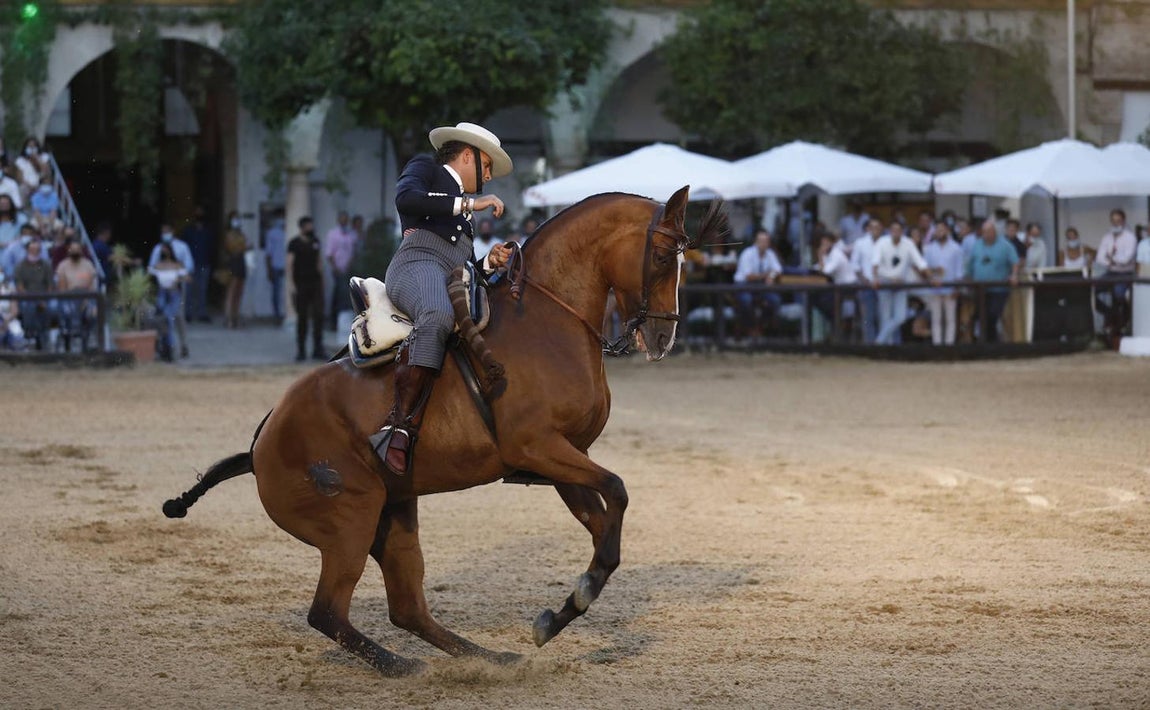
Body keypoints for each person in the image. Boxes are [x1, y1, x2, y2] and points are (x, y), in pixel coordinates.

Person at [370, 121, 514, 475]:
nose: (489, 176)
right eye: (487, 167)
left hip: (446, 274)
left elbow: (458, 267)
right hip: (414, 263)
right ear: (468, 155)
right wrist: (470, 202)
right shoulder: (425, 167)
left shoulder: (461, 213)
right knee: (437, 314)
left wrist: (486, 264)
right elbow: (405, 198)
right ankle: (397, 428)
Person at [871, 221, 933, 345]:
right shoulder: (882, 242)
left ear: (902, 232)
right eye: (893, 229)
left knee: (900, 317)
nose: (896, 232)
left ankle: (878, 343)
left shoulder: (908, 243)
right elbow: (875, 263)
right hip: (885, 281)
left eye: (898, 230)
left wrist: (931, 277)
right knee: (885, 317)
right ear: (889, 231)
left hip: (900, 283)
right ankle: (885, 348)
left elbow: (919, 262)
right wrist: (875, 278)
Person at [965, 220, 1021, 343]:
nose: (986, 234)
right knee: (979, 315)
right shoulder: (977, 245)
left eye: (988, 232)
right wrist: (968, 278)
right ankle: (982, 342)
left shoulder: (1005, 245)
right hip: (980, 288)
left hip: (998, 289)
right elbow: (970, 264)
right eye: (984, 232)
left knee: (992, 314)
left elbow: (1015, 262)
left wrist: (1014, 275)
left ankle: (992, 343)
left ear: (994, 232)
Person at [148, 225, 194, 358]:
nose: (165, 234)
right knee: (162, 317)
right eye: (163, 232)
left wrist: (177, 275)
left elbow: (189, 267)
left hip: (176, 289)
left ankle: (183, 345)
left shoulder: (182, 247)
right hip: (162, 290)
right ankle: (166, 346)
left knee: (178, 317)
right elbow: (151, 267)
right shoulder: (157, 249)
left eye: (167, 232)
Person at [1094, 208, 1137, 345]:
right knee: (1094, 291)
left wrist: (1111, 258)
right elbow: (1099, 257)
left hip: (1125, 273)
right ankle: (1110, 314)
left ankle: (1122, 323)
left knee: (1119, 295)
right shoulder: (1107, 237)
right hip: (1111, 272)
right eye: (1113, 221)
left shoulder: (1130, 237)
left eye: (1118, 220)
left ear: (1123, 221)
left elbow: (1126, 259)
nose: (1115, 223)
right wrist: (1111, 261)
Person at [287, 216, 325, 362]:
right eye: (308, 225)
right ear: (302, 227)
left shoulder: (315, 241)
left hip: (314, 283)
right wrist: (291, 285)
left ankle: (318, 349)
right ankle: (301, 350)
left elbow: (319, 262)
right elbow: (289, 265)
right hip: (301, 284)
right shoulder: (294, 244)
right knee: (302, 318)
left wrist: (322, 282)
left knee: (318, 316)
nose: (311, 228)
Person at [732, 228, 783, 334]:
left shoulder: (770, 254)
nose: (764, 243)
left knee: (775, 300)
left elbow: (778, 269)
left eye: (766, 241)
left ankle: (763, 327)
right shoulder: (747, 254)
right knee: (746, 300)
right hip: (744, 286)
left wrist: (772, 276)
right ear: (756, 242)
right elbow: (748, 276)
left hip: (760, 287)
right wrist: (766, 275)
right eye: (762, 241)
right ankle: (749, 328)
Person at [923, 220, 964, 345]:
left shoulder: (956, 248)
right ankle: (937, 345)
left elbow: (959, 270)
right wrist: (932, 277)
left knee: (950, 319)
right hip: (934, 288)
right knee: (936, 319)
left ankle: (949, 345)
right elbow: (925, 268)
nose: (939, 232)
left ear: (947, 231)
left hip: (950, 288)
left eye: (942, 229)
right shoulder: (929, 249)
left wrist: (957, 288)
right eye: (937, 230)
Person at [54, 240, 99, 350]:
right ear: (69, 250)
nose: (75, 251)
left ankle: (89, 340)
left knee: (92, 312)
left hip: (87, 296)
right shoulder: (63, 265)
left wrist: (85, 300)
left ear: (81, 251)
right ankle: (70, 340)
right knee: (68, 310)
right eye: (72, 249)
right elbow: (62, 287)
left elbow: (90, 284)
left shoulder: (88, 264)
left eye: (77, 249)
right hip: (69, 297)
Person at [13, 237, 55, 349]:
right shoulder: (20, 266)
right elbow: (19, 287)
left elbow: (50, 285)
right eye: (32, 249)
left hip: (44, 297)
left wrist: (45, 299)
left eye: (37, 249)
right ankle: (30, 336)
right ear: (27, 250)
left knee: (51, 308)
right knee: (28, 307)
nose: (34, 251)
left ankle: (44, 337)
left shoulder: (46, 265)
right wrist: (34, 300)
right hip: (26, 298)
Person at [815, 232, 857, 332]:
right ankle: (835, 324)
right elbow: (818, 267)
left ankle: (839, 325)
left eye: (826, 243)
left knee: (826, 300)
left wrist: (820, 256)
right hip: (838, 286)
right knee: (819, 298)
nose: (823, 246)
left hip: (848, 286)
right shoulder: (828, 254)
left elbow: (826, 271)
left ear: (831, 243)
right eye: (822, 244)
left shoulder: (837, 254)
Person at [324, 211, 357, 331]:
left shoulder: (351, 234)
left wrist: (350, 264)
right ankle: (333, 322)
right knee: (338, 294)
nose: (344, 221)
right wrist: (335, 267)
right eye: (342, 219)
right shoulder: (333, 234)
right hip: (337, 269)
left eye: (346, 219)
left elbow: (353, 251)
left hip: (348, 269)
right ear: (338, 220)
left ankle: (345, 321)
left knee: (347, 294)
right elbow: (329, 253)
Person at [851, 218, 883, 343]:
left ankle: (883, 344)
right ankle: (870, 346)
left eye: (878, 227)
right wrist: (864, 281)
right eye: (872, 227)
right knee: (868, 318)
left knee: (882, 317)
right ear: (868, 229)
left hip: (883, 284)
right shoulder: (860, 243)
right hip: (866, 285)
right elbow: (855, 265)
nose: (875, 230)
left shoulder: (886, 242)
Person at [181, 206, 214, 323]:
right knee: (189, 290)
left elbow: (211, 247)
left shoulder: (208, 231)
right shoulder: (188, 231)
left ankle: (202, 313)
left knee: (202, 289)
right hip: (190, 265)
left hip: (204, 263)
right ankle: (187, 313)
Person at [222, 210, 249, 328]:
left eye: (238, 218)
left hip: (241, 262)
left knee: (239, 291)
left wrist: (243, 246)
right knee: (231, 291)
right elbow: (232, 248)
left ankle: (235, 316)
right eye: (234, 219)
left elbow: (243, 245)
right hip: (233, 262)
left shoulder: (241, 234)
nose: (236, 221)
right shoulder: (228, 234)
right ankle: (228, 318)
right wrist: (243, 246)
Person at [264, 209, 286, 323]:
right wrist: (269, 269)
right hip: (276, 266)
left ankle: (287, 313)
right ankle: (277, 315)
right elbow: (268, 253)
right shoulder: (272, 233)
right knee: (276, 293)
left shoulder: (291, 230)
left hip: (288, 267)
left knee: (287, 292)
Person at [0, 271, 24, 351]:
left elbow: (14, 311)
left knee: (17, 338)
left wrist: (6, 321)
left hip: (9, 319)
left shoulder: (10, 288)